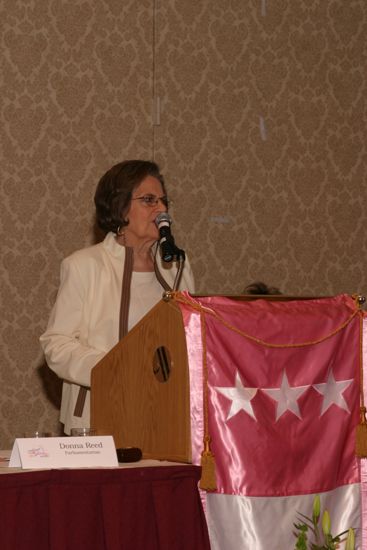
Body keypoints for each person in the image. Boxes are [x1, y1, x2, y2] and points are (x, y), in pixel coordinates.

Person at [40, 160, 195, 434]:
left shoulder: (178, 267)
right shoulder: (84, 266)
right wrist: (113, 368)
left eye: (163, 200)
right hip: (99, 417)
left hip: (166, 415)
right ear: (120, 208)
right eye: (149, 200)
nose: (161, 209)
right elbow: (56, 345)